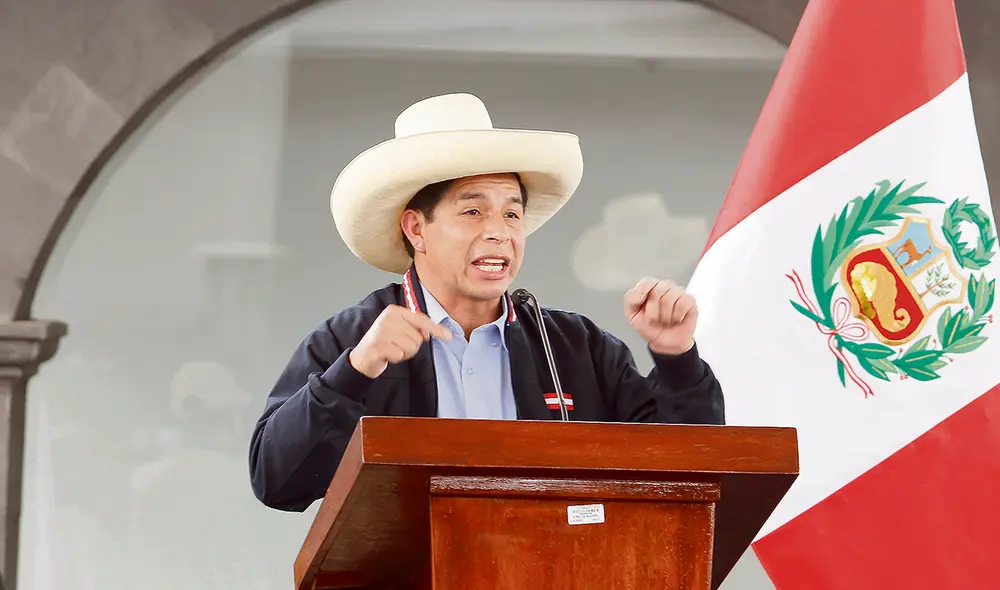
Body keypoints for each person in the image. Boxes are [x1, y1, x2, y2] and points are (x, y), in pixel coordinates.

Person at [249, 93, 725, 512]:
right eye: (473, 211)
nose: (498, 231)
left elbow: (690, 473)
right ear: (417, 229)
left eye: (512, 213)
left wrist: (676, 357)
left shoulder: (575, 345)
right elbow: (276, 481)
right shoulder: (352, 340)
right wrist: (354, 370)